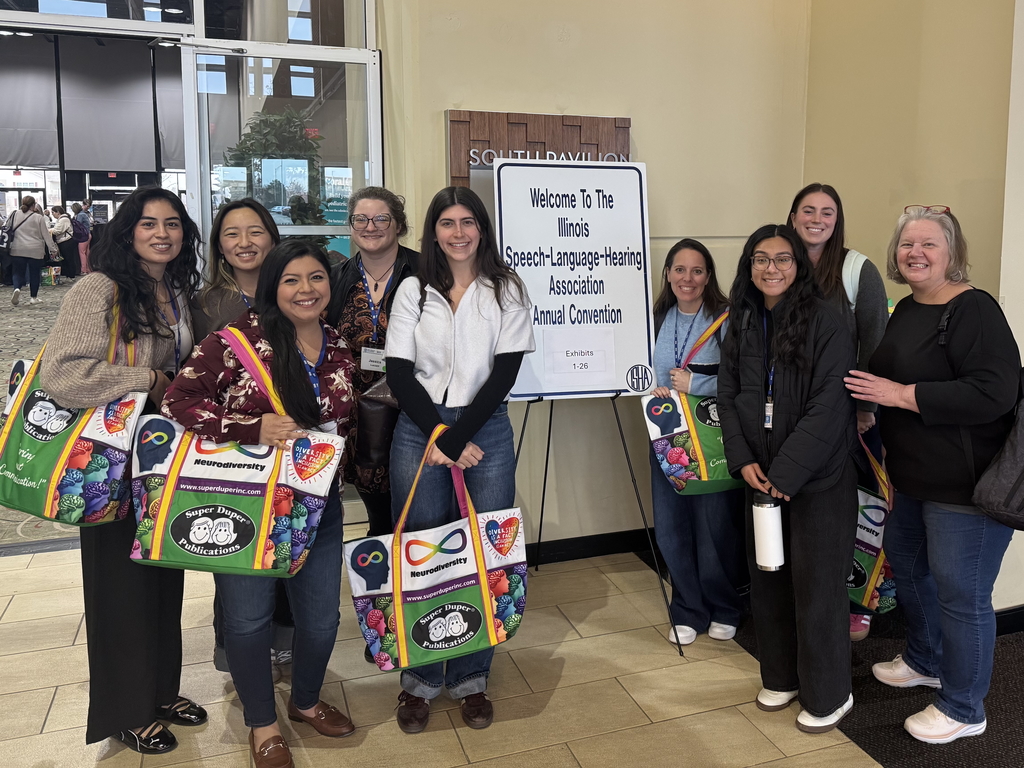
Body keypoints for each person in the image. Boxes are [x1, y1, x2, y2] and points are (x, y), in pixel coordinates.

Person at [163, 240, 357, 768]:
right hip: (246, 507)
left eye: (316, 278)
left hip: (319, 505)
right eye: (291, 279)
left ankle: (306, 701)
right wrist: (252, 426)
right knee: (248, 621)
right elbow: (177, 400)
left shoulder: (338, 343)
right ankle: (261, 724)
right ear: (273, 285)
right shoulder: (234, 342)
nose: (306, 290)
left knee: (319, 619)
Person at [845, 205, 1020, 744]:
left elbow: (995, 392)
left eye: (928, 244)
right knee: (912, 571)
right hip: (913, 479)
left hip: (966, 487)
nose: (915, 253)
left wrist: (898, 396)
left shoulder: (974, 310)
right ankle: (925, 659)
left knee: (960, 595)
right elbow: (887, 371)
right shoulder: (907, 308)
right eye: (906, 245)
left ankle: (965, 707)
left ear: (952, 254)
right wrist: (869, 404)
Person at [39, 186, 203, 754]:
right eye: (149, 223)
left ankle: (159, 691)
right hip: (109, 459)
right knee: (118, 585)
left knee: (163, 572)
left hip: (158, 458)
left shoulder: (173, 290)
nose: (162, 233)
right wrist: (148, 382)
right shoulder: (98, 289)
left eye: (173, 223)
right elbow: (62, 374)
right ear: (128, 231)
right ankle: (125, 709)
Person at [384, 186, 535, 733]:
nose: (457, 232)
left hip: (485, 427)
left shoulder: (506, 288)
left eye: (467, 221)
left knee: (484, 551)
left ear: (481, 228)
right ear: (433, 231)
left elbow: (506, 371)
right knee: (422, 551)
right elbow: (399, 372)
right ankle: (420, 681)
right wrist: (442, 435)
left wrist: (459, 435)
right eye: (446, 223)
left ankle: (472, 676)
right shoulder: (411, 289)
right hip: (418, 428)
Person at [717, 224, 859, 734]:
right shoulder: (743, 319)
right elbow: (728, 396)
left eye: (781, 259)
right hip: (759, 476)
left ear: (799, 264)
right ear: (748, 266)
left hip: (818, 479)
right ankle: (781, 676)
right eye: (759, 259)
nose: (770, 269)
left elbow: (829, 406)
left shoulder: (827, 320)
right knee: (768, 579)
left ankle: (829, 694)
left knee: (818, 587)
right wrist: (744, 461)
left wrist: (786, 472)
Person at [190, 198, 296, 672]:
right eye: (232, 234)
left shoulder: (293, 290)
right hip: (232, 447)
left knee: (289, 540)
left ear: (272, 237)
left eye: (255, 231)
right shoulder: (205, 304)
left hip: (294, 444)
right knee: (234, 545)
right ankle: (236, 649)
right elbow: (192, 387)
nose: (245, 243)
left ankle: (286, 643)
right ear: (219, 246)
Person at [787, 183, 890, 641]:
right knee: (804, 516)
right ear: (793, 217)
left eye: (827, 212)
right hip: (793, 415)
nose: (817, 219)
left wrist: (865, 407)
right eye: (808, 210)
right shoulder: (780, 263)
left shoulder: (856, 269)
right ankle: (805, 598)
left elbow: (876, 343)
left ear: (837, 219)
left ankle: (857, 602)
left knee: (855, 514)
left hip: (849, 417)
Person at [648, 238, 745, 646]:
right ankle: (687, 608)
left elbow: (746, 380)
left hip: (712, 440)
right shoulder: (655, 316)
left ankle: (724, 606)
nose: (687, 278)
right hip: (665, 437)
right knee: (671, 526)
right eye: (679, 269)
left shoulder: (727, 318)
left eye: (697, 270)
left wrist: (699, 383)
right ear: (668, 273)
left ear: (709, 276)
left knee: (713, 526)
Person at [326, 186, 420, 539]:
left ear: (398, 224)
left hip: (417, 406)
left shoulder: (425, 272)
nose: (371, 226)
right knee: (379, 517)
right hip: (360, 415)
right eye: (360, 219)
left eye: (381, 218)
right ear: (351, 225)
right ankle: (383, 588)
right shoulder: (335, 279)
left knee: (419, 513)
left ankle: (424, 585)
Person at [6, 195, 57, 305]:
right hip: (35, 249)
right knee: (34, 273)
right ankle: (33, 297)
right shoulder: (39, 218)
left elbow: (6, 227)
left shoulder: (14, 214)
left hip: (17, 248)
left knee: (17, 272)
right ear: (34, 205)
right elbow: (46, 235)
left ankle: (17, 288)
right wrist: (53, 249)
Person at [49, 205, 78, 281]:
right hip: (63, 241)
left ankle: (71, 275)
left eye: (53, 212)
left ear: (58, 212)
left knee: (69, 259)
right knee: (66, 259)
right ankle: (68, 275)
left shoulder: (63, 219)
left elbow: (57, 230)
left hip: (66, 241)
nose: (52, 214)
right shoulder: (62, 219)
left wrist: (49, 230)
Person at [75, 199, 93, 275]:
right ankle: (88, 269)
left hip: (83, 236)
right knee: (87, 253)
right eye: (87, 206)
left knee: (82, 253)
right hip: (88, 234)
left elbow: (77, 225)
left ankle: (83, 270)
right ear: (83, 204)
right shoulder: (86, 214)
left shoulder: (80, 215)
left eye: (88, 206)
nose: (87, 208)